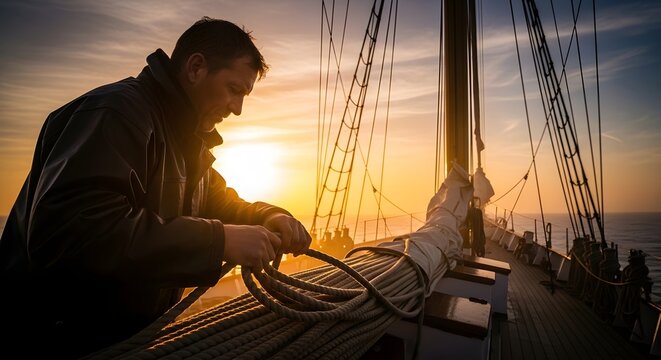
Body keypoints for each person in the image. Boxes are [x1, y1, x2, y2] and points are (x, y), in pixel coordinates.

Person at [0, 17, 311, 358]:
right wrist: (219, 241)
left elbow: (222, 205)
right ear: (196, 68)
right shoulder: (116, 112)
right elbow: (73, 234)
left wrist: (269, 216)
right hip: (53, 342)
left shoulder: (187, 142)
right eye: (234, 89)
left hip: (123, 341)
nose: (237, 109)